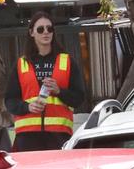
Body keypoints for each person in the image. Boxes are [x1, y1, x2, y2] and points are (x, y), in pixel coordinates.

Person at [5, 11, 86, 151]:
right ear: (31, 33)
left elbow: (79, 98)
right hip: (27, 137)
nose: (46, 32)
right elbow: (10, 100)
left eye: (50, 28)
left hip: (58, 136)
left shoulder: (66, 61)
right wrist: (27, 107)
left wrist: (59, 91)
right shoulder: (21, 64)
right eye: (40, 29)